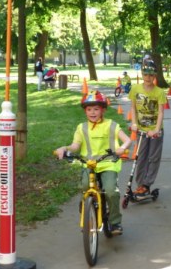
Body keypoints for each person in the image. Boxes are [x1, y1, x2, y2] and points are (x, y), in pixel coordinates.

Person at [54, 91, 132, 235]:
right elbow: (75, 146)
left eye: (96, 109)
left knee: (111, 191)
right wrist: (64, 149)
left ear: (103, 110)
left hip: (108, 163)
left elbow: (127, 140)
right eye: (89, 109)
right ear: (85, 111)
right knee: (85, 186)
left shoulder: (111, 125)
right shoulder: (82, 127)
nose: (92, 112)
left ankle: (115, 222)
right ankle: (87, 206)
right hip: (89, 164)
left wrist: (122, 148)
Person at [128, 59, 167, 196]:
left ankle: (146, 184)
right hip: (141, 130)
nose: (148, 77)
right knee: (140, 157)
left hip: (155, 130)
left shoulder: (159, 92)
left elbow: (161, 112)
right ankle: (140, 184)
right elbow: (133, 108)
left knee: (153, 158)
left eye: (151, 75)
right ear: (142, 74)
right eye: (145, 74)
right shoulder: (135, 89)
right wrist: (134, 123)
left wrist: (156, 129)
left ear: (155, 75)